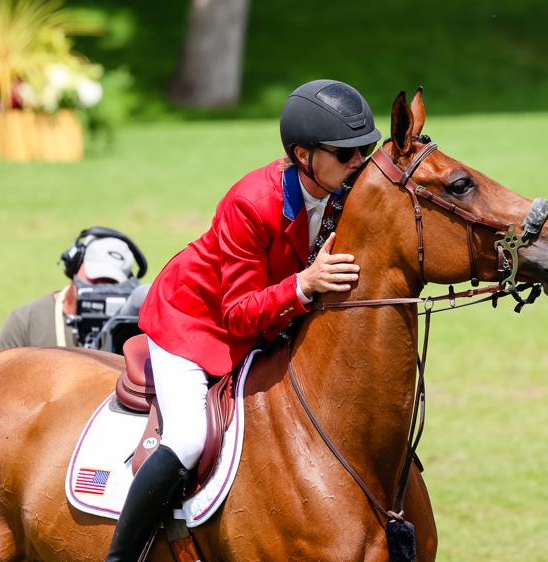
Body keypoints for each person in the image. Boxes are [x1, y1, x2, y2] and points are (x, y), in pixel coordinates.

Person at [106, 79, 381, 560]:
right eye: (346, 153)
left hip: (268, 321)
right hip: (193, 323)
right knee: (189, 438)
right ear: (302, 155)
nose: (360, 163)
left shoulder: (343, 192)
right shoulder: (251, 201)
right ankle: (120, 556)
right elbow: (236, 315)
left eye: (366, 149)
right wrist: (303, 285)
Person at [0, 226, 147, 350]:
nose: (102, 288)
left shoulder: (133, 334)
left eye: (110, 282)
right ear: (74, 267)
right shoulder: (25, 324)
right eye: (95, 279)